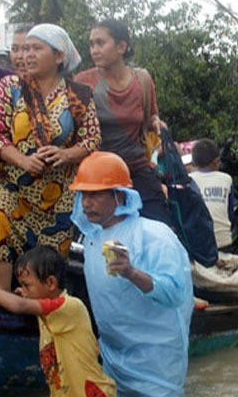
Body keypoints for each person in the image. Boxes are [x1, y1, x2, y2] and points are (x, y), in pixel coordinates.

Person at [0, 24, 100, 290]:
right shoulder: (9, 87)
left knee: (50, 264)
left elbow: (92, 139)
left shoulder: (78, 95)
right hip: (12, 188)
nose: (26, 55)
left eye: (35, 48)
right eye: (24, 49)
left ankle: (42, 310)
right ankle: (3, 300)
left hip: (58, 197)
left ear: (58, 56)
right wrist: (22, 160)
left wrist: (66, 154)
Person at [70, 152, 193, 397]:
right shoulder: (92, 240)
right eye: (83, 194)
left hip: (156, 363)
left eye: (95, 194)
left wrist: (131, 273)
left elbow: (173, 293)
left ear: (119, 195)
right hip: (114, 360)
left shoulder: (153, 235)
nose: (86, 203)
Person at [0, 245, 117, 396]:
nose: (23, 290)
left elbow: (19, 305)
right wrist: (27, 293)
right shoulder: (46, 312)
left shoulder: (70, 306)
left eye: (27, 285)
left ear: (50, 283)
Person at [74, 19, 172, 227]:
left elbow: (151, 116)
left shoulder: (142, 80)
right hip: (99, 177)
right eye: (91, 44)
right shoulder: (84, 82)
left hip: (137, 168)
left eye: (101, 43)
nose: (94, 50)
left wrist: (157, 123)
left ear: (121, 46)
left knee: (159, 227)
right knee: (106, 238)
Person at [189, 138, 234, 249]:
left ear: (194, 163)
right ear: (217, 162)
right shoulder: (226, 179)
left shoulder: (189, 180)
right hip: (223, 242)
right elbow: (230, 213)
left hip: (197, 244)